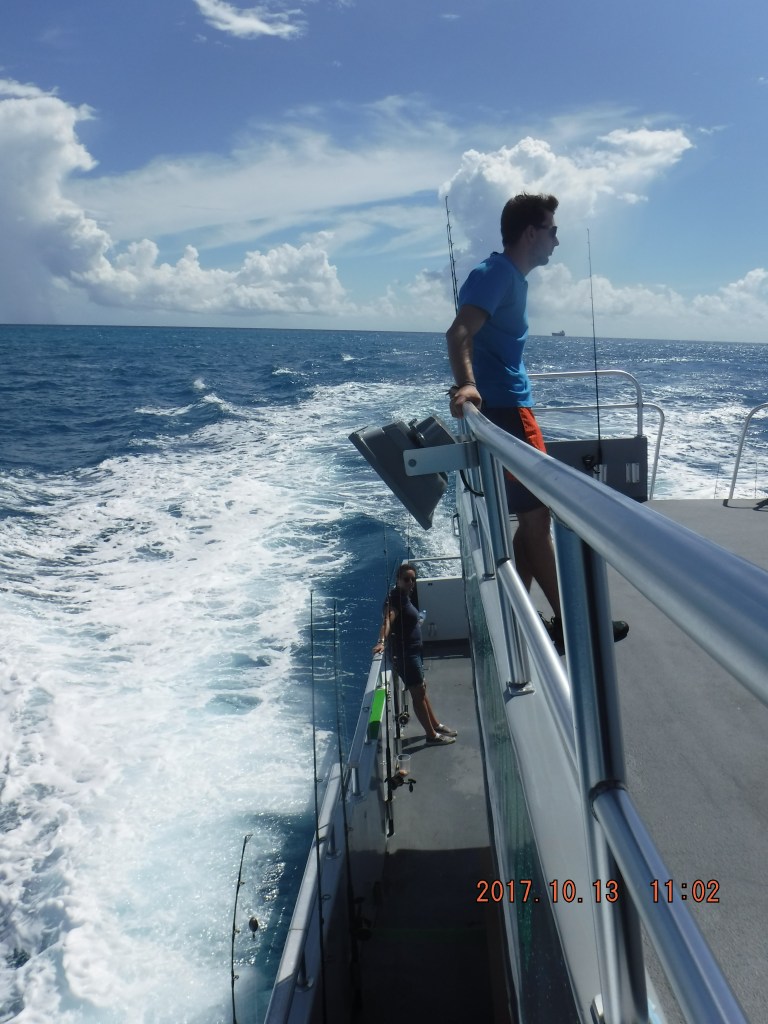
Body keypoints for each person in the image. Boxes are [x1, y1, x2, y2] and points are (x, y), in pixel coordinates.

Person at [445, 193, 627, 650]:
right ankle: (573, 624)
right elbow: (459, 331)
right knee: (537, 517)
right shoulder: (496, 273)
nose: (557, 240)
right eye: (553, 230)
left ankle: (518, 614)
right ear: (531, 232)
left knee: (532, 520)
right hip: (506, 411)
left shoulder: (509, 277)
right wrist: (468, 385)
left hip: (512, 408)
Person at [372, 563, 457, 744]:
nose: (410, 582)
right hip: (407, 656)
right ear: (398, 580)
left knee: (422, 690)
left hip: (415, 652)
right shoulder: (394, 600)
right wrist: (382, 641)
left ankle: (435, 725)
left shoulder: (404, 597)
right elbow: (387, 620)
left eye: (413, 579)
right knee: (418, 696)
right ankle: (431, 736)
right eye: (406, 579)